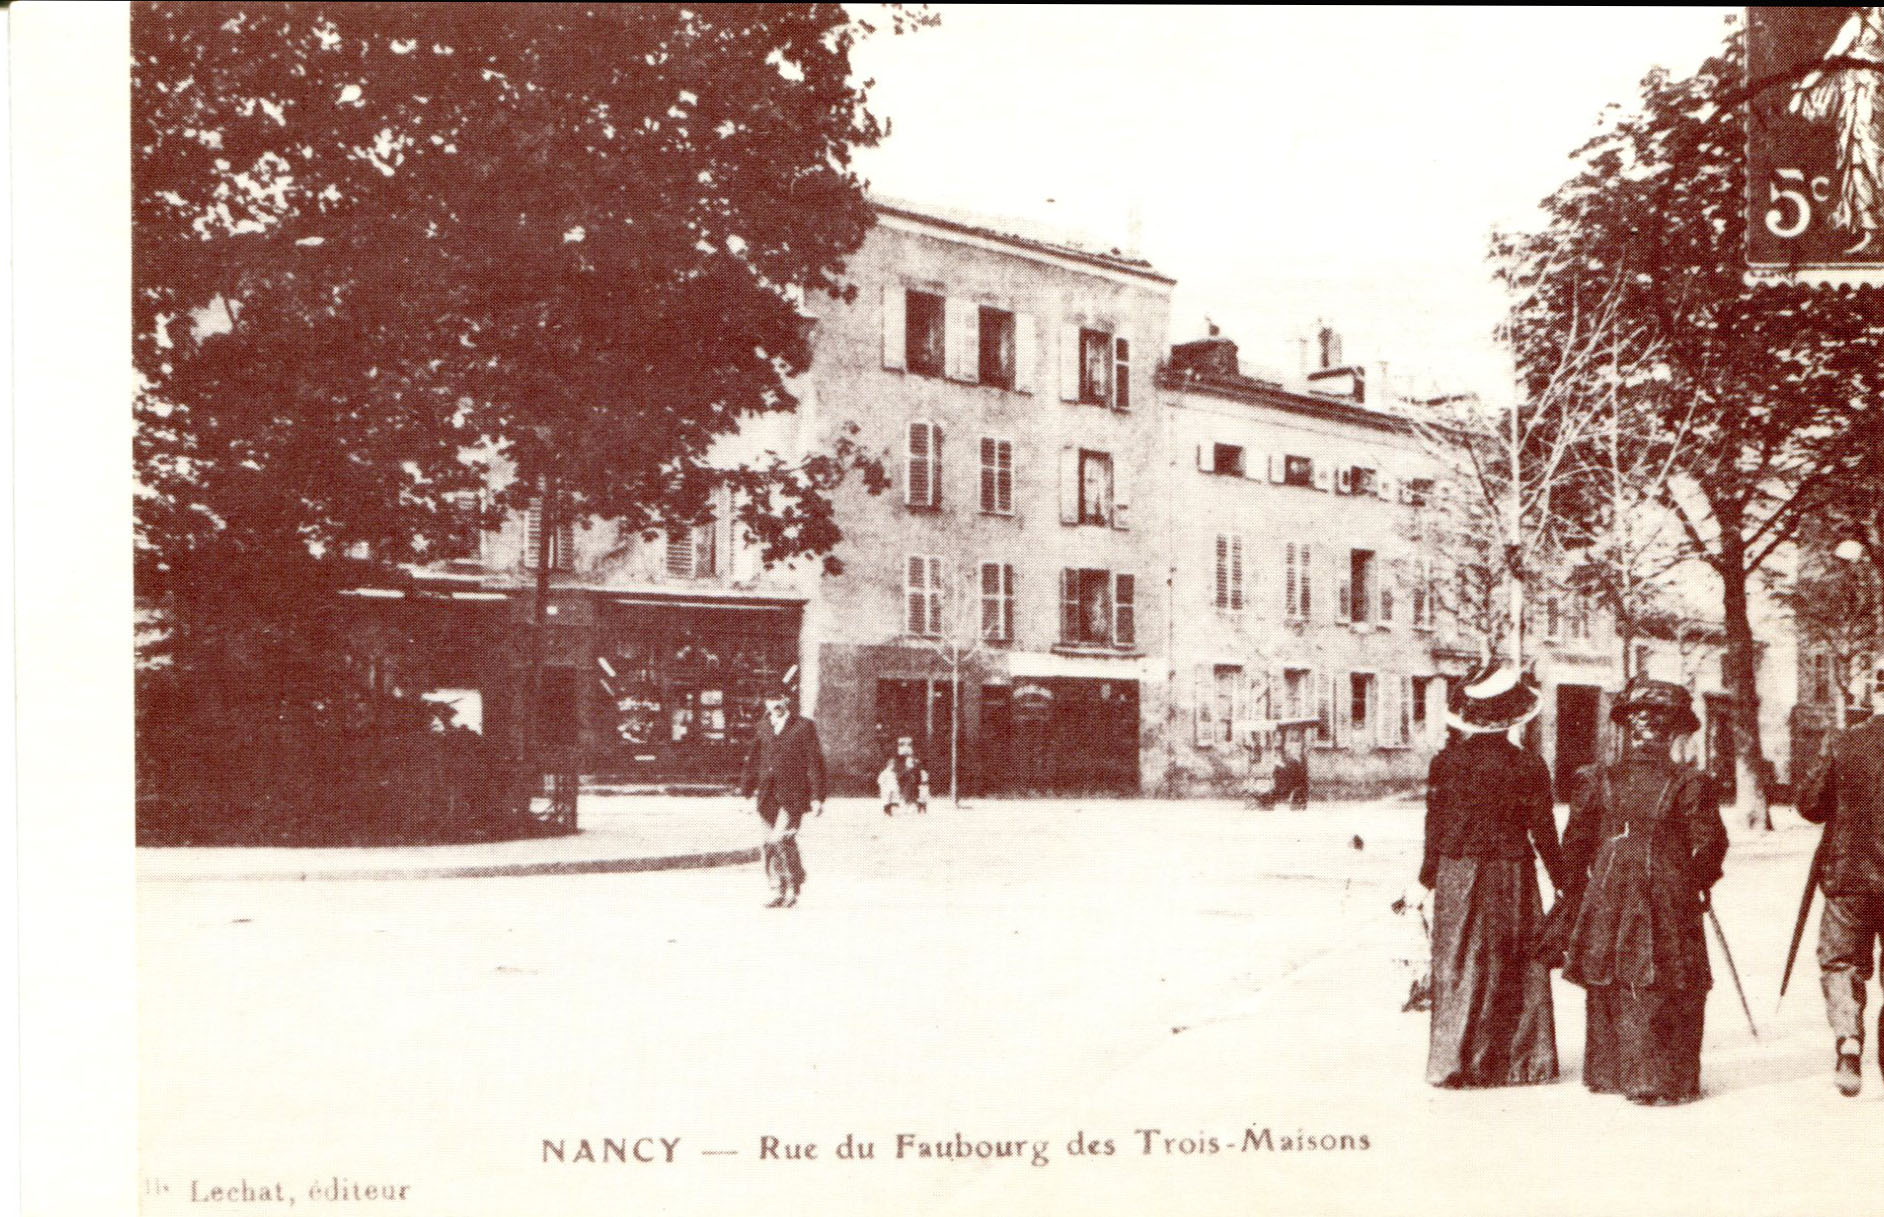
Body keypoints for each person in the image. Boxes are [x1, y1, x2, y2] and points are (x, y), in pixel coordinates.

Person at [1559, 678, 1727, 1106]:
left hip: (1609, 887)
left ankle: (1610, 1072)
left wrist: (1577, 890)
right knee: (1669, 974)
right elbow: (1710, 844)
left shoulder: (1597, 778)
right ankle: (1660, 1079)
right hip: (1670, 888)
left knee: (1611, 971)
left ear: (1627, 730)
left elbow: (1575, 843)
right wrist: (1699, 883)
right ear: (1673, 734)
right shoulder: (1692, 782)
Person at [1419, 661, 1566, 1088]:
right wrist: (1565, 882)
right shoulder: (1529, 766)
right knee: (1514, 961)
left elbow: (1435, 829)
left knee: (1459, 963)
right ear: (1511, 717)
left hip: (1457, 874)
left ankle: (1454, 1062)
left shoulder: (1446, 764)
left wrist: (1424, 880)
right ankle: (1519, 1062)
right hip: (1512, 874)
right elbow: (1544, 833)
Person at [1800, 711, 1884, 1096]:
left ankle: (1849, 1042)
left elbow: (1810, 805)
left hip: (1848, 874)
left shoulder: (1842, 741)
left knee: (1841, 962)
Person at [740, 671, 826, 908]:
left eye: (778, 698)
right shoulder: (762, 727)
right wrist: (747, 792)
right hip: (766, 794)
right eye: (769, 699)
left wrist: (818, 797)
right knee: (768, 842)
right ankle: (777, 888)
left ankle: (793, 885)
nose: (774, 703)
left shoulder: (803, 726)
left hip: (793, 795)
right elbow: (752, 760)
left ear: (787, 700)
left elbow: (815, 763)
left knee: (780, 838)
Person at [878, 736, 928, 816]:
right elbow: (881, 780)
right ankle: (889, 809)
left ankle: (917, 807)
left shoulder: (915, 764)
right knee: (889, 798)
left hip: (910, 781)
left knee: (919, 795)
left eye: (909, 745)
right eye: (902, 744)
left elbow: (920, 776)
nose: (906, 747)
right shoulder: (889, 770)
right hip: (893, 785)